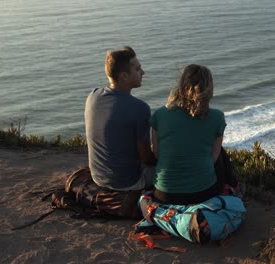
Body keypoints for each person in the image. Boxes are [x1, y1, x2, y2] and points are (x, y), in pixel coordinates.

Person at [150, 64, 226, 204]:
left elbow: (157, 154)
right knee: (221, 153)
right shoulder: (217, 117)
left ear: (182, 86)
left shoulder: (160, 115)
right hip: (204, 193)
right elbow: (213, 158)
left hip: (164, 194)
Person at [85, 46, 155, 191]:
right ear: (124, 76)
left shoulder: (93, 96)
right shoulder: (139, 108)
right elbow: (146, 158)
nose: (143, 72)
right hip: (127, 182)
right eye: (137, 69)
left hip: (98, 176)